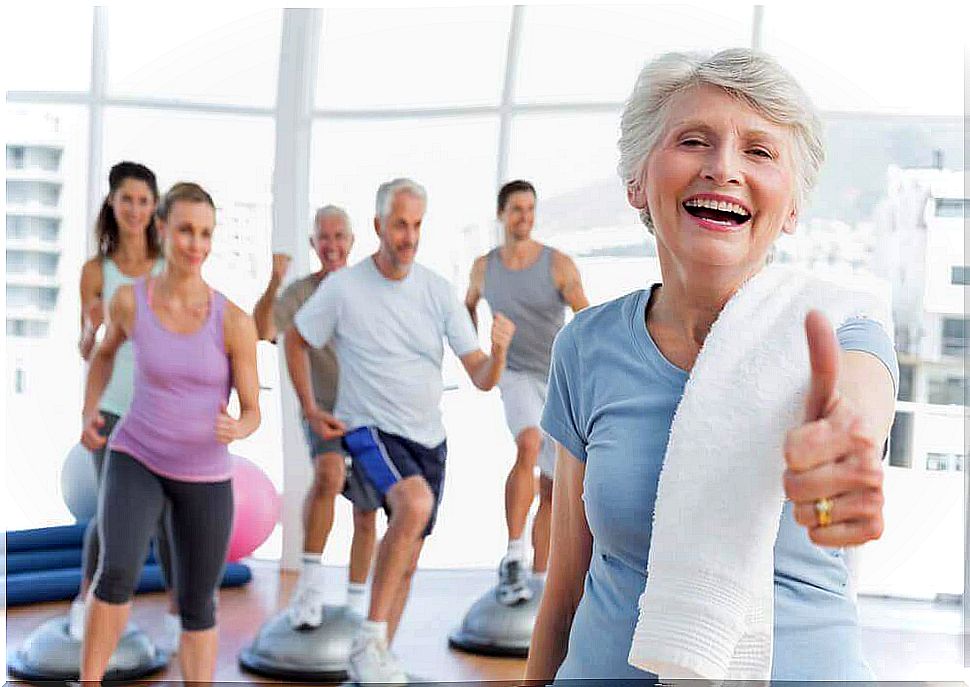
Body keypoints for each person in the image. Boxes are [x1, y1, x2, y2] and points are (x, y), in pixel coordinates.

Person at [526, 49, 898, 682]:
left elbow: (859, 400)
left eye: (759, 152)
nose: (723, 168)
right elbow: (566, 590)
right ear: (638, 182)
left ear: (793, 205)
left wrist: (844, 450)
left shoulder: (839, 331)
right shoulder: (586, 346)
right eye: (694, 140)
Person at [284, 178, 514, 685]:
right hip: (368, 428)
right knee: (412, 505)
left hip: (428, 437)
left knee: (408, 553)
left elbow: (479, 376)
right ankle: (367, 640)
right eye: (398, 225)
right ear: (377, 227)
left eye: (415, 225)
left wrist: (497, 355)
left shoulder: (435, 290)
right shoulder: (344, 288)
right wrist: (310, 407)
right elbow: (296, 339)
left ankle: (378, 655)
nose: (408, 236)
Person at [79, 182, 261, 682]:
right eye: (185, 230)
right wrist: (89, 411)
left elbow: (253, 411)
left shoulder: (234, 321)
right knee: (117, 573)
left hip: (205, 475)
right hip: (136, 456)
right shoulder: (130, 301)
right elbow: (103, 356)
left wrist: (238, 426)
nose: (195, 244)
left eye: (205, 233)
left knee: (198, 602)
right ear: (163, 230)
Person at [252, 205, 378, 627]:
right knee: (328, 475)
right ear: (314, 244)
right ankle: (309, 586)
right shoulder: (301, 293)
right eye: (324, 238)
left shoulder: (370, 288)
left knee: (366, 507)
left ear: (353, 241)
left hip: (368, 412)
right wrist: (274, 278)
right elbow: (263, 329)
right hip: (320, 408)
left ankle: (358, 601)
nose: (333, 245)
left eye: (340, 236)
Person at [464, 180, 588, 605]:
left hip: (555, 378)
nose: (525, 217)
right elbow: (466, 309)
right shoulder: (484, 267)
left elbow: (585, 318)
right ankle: (513, 555)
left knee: (552, 486)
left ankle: (537, 579)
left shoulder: (558, 264)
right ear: (501, 214)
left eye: (531, 209)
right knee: (528, 443)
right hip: (514, 374)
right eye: (517, 209)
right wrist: (482, 354)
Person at [74, 161, 178, 651]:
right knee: (111, 511)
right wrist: (89, 333)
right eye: (126, 199)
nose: (135, 209)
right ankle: (85, 602)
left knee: (167, 514)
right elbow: (87, 343)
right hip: (113, 409)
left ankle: (181, 611)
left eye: (144, 200)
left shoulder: (170, 268)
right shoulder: (96, 272)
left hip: (162, 411)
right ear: (112, 205)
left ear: (154, 207)